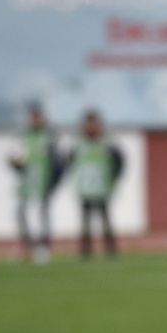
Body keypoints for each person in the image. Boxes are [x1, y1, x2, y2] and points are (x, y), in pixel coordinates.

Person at [7, 103, 64, 264]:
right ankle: (27, 243)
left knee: (43, 213)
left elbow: (58, 161)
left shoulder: (50, 136)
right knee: (20, 211)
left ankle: (44, 244)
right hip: (27, 182)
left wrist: (54, 182)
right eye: (33, 117)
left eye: (38, 117)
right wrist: (15, 164)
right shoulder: (24, 135)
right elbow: (17, 158)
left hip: (43, 181)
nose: (35, 120)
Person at [69, 109, 125, 259]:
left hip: (102, 187)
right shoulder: (78, 144)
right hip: (85, 188)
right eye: (89, 124)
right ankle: (85, 251)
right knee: (85, 222)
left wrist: (114, 179)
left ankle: (111, 250)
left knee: (106, 220)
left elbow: (120, 162)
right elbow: (69, 162)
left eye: (94, 124)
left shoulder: (108, 143)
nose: (92, 127)